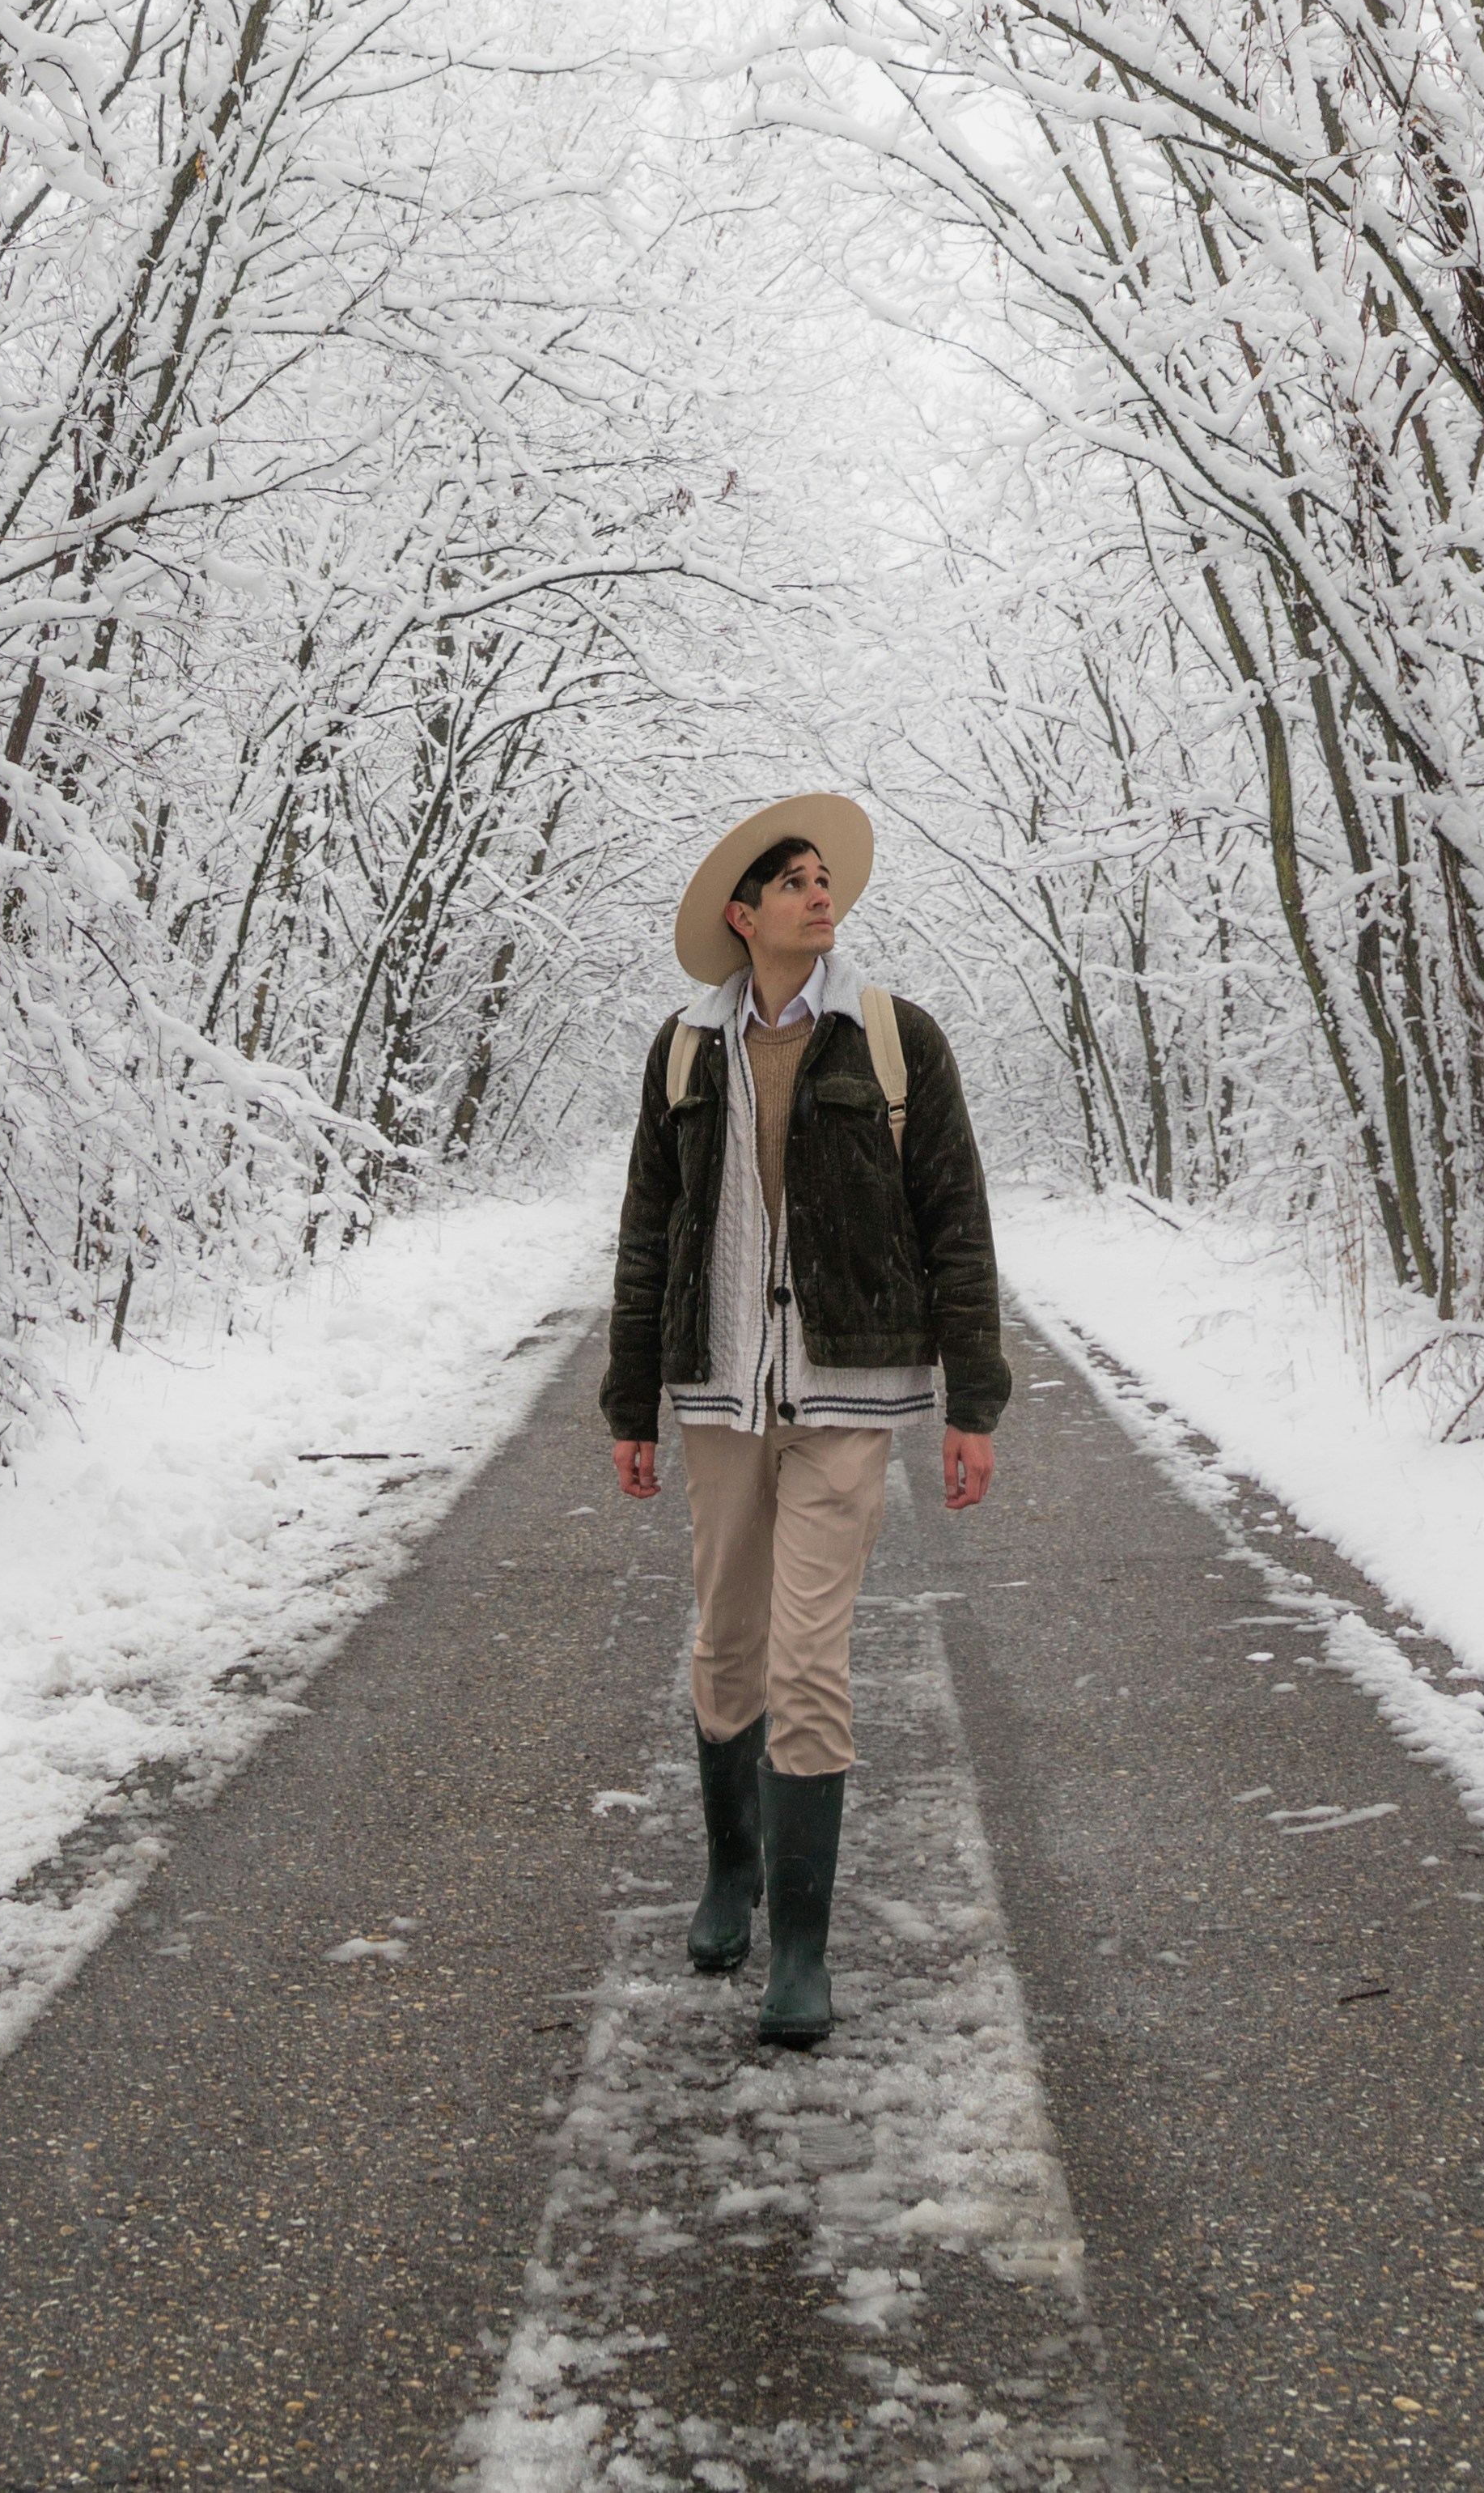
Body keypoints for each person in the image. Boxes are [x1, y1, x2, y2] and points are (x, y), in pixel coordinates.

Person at [604, 794, 1009, 2049]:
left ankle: (800, 1948)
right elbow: (642, 1237)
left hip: (851, 1393)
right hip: (721, 1392)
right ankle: (730, 1867)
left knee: (807, 1658)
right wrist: (631, 1400)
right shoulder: (683, 1051)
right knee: (725, 1647)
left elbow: (955, 1218)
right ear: (743, 914)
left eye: (822, 875)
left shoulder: (892, 1040)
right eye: (788, 879)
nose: (815, 891)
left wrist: (973, 1401)